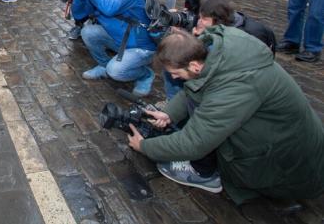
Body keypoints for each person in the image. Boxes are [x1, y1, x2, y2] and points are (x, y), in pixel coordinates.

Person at [128, 28, 324, 204]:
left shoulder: (234, 88)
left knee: (208, 137)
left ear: (195, 66)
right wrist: (169, 113)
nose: (174, 78)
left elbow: (194, 143)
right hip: (284, 135)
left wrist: (144, 146)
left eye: (176, 73)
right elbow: (195, 88)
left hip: (291, 164)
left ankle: (206, 175)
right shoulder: (213, 49)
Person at [72, 0, 157, 97]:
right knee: (88, 32)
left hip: (140, 45)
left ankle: (145, 74)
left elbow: (110, 7)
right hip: (121, 38)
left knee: (116, 71)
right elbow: (79, 15)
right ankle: (104, 65)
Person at [162, 0, 276, 100]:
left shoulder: (242, 35)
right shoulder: (218, 25)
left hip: (243, 80)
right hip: (225, 71)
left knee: (182, 66)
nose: (199, 22)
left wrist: (196, 40)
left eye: (204, 19)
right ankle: (175, 101)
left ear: (218, 19)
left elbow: (215, 62)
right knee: (173, 63)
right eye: (200, 17)